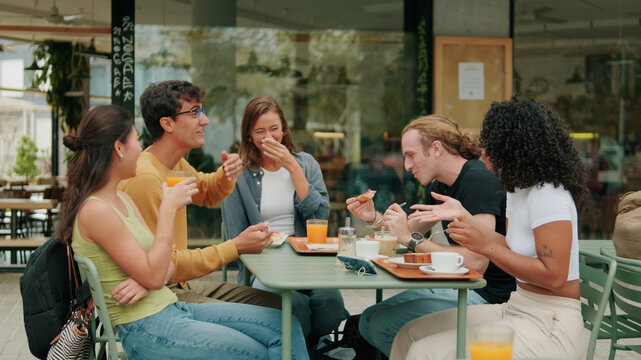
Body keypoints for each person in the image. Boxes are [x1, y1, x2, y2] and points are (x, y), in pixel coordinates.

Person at [60, 105, 308, 359]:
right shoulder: (95, 211)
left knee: (286, 326)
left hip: (170, 306)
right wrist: (168, 209)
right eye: (136, 139)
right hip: (147, 327)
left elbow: (162, 267)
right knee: (260, 352)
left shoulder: (122, 199)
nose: (140, 149)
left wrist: (149, 280)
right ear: (119, 148)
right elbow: (156, 273)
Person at [391, 95, 588, 359]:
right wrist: (465, 217)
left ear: (516, 147)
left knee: (424, 352)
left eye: (492, 145)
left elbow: (554, 277)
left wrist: (487, 246)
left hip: (551, 325)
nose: (483, 152)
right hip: (518, 307)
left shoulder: (548, 194)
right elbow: (511, 247)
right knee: (410, 334)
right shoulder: (517, 191)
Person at [346, 114, 514, 357]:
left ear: (436, 149)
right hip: (459, 287)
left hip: (487, 296)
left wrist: (411, 240)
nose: (406, 166)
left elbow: (477, 262)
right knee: (369, 318)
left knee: (383, 326)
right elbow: (407, 231)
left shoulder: (478, 181)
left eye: (410, 155)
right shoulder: (440, 185)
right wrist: (374, 218)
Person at [118, 80, 281, 308]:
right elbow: (166, 264)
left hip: (180, 284)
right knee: (274, 315)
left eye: (202, 111)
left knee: (281, 304)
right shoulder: (146, 178)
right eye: (195, 113)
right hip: (161, 296)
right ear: (167, 123)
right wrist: (236, 246)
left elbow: (205, 192)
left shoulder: (174, 164)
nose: (205, 120)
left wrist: (226, 174)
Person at [222, 96, 350, 343]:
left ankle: (303, 346)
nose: (268, 137)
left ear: (284, 129)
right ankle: (296, 348)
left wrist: (292, 167)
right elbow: (234, 239)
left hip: (308, 260)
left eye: (274, 129)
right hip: (264, 264)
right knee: (297, 306)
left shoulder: (306, 164)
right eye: (259, 131)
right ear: (249, 136)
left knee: (331, 304)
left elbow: (320, 217)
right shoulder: (240, 175)